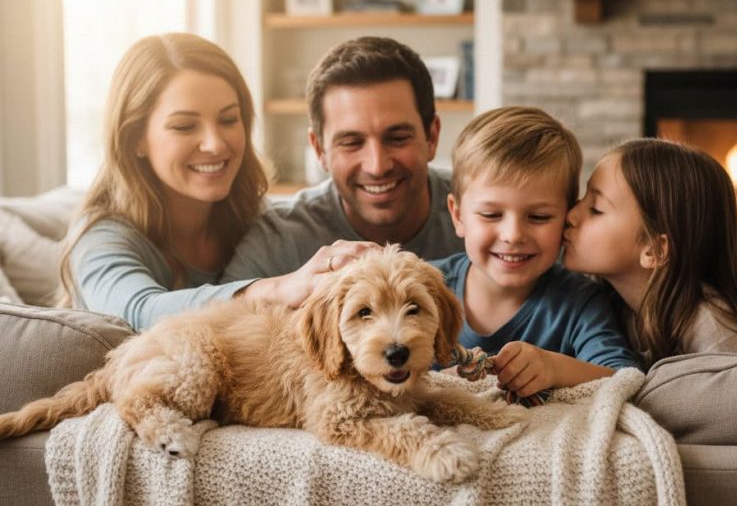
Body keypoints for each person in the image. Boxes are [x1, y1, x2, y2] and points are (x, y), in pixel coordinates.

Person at [60, 33, 372, 330]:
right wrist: (275, 289)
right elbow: (135, 313)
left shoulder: (254, 219)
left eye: (228, 120)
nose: (215, 144)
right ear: (134, 139)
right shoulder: (99, 237)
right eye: (184, 126)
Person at [433, 107, 640, 400]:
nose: (513, 235)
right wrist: (437, 385)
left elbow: (625, 379)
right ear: (458, 216)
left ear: (567, 216)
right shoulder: (425, 287)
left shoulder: (580, 300)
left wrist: (555, 369)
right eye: (491, 214)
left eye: (539, 217)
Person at [222, 36, 463, 282]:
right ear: (319, 149)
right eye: (351, 143)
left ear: (431, 137)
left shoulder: (486, 211)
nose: (377, 166)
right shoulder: (279, 239)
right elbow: (210, 315)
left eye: (397, 138)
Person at [562, 138, 737, 366]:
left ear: (655, 249)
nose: (570, 215)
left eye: (596, 209)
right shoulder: (609, 301)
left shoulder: (713, 332)